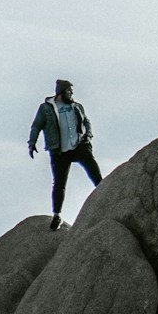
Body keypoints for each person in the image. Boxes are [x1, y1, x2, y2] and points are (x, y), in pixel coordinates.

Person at [27, 78, 101, 228]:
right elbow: (36, 126)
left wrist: (88, 134)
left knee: (92, 167)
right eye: (69, 91)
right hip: (59, 151)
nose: (72, 94)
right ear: (61, 92)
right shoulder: (46, 108)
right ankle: (57, 215)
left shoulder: (76, 106)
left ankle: (105, 191)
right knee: (59, 183)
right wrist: (32, 143)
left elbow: (86, 121)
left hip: (79, 145)